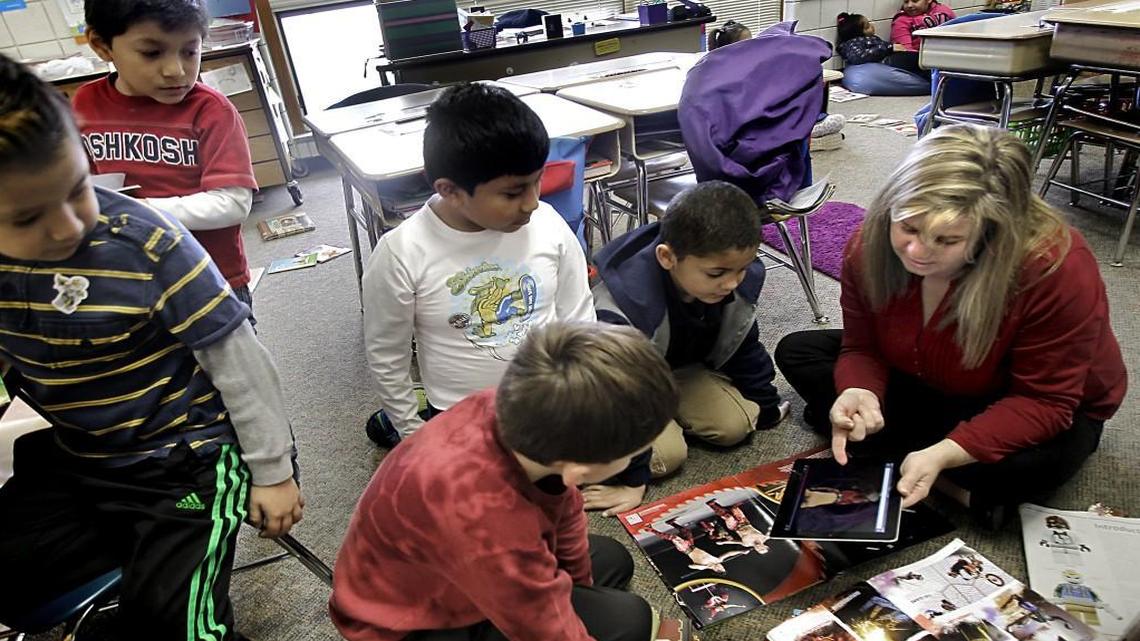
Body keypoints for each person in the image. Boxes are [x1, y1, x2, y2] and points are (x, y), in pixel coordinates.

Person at [0, 54, 302, 641]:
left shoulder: (150, 244)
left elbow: (240, 361)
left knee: (178, 625)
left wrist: (273, 471)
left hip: (186, 460)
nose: (66, 227)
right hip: (82, 453)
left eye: (77, 190)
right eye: (29, 216)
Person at [775, 124, 1127, 528]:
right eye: (907, 226)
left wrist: (947, 452)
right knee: (799, 351)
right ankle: (951, 483)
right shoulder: (867, 244)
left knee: (1028, 468)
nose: (917, 251)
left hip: (1024, 396)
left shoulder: (1054, 268)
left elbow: (1046, 402)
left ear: (992, 233)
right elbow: (862, 347)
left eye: (947, 240)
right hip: (931, 373)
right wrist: (860, 388)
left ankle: (909, 454)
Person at [330, 322, 681, 641]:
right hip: (403, 626)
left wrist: (580, 595)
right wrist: (578, 614)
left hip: (446, 567)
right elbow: (543, 630)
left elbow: (566, 506)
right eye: (636, 453)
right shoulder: (490, 522)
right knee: (632, 621)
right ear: (579, 470)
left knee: (613, 559)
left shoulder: (514, 409)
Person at [361, 83, 594, 448]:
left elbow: (579, 318)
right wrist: (413, 435)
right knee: (475, 498)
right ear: (449, 190)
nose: (533, 203)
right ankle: (395, 423)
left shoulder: (548, 223)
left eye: (537, 182)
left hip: (545, 398)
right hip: (460, 413)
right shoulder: (401, 252)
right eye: (513, 192)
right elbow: (387, 357)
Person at [590, 180, 789, 514]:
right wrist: (632, 480)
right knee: (666, 457)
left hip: (679, 368)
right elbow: (622, 395)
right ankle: (645, 438)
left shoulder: (731, 281)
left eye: (741, 269)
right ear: (667, 257)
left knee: (735, 426)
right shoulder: (619, 311)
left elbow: (743, 344)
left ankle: (672, 418)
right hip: (616, 389)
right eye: (717, 273)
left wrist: (766, 405)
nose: (731, 283)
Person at [72, 0, 258, 313]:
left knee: (229, 357)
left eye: (190, 51)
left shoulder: (212, 111)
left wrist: (141, 211)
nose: (176, 71)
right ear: (102, 45)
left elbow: (233, 203)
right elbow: (82, 187)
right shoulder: (86, 102)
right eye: (151, 53)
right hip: (131, 277)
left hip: (208, 274)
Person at [891, 0, 955, 52]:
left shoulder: (944, 11)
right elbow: (905, 51)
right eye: (906, 2)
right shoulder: (901, 21)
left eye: (915, 1)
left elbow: (956, 32)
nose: (909, 5)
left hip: (950, 51)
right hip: (919, 59)